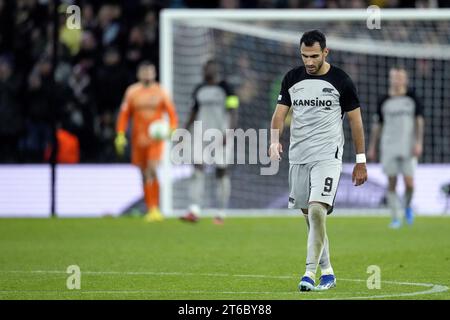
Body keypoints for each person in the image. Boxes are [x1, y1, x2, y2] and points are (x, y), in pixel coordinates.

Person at [269, 30, 367, 292]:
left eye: (314, 56)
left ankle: (308, 273)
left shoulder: (341, 81)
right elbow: (279, 115)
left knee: (316, 209)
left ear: (326, 52)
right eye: (304, 56)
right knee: (312, 218)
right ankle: (328, 271)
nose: (309, 62)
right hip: (299, 157)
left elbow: (356, 121)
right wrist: (274, 140)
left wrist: (361, 160)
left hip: (328, 156)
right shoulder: (292, 78)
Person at [115, 61, 178, 222]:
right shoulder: (132, 92)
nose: (147, 75)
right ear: (139, 74)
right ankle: (151, 207)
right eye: (144, 72)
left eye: (150, 72)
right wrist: (120, 134)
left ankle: (155, 208)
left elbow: (171, 113)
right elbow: (124, 115)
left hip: (155, 139)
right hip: (138, 139)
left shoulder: (161, 92)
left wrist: (172, 128)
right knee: (144, 174)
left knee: (151, 169)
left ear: (155, 73)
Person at [180, 60, 239, 225]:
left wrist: (230, 132)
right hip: (200, 135)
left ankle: (220, 212)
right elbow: (193, 112)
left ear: (217, 70)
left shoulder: (227, 89)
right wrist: (184, 131)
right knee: (197, 169)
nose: (208, 71)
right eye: (205, 68)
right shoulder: (199, 90)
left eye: (211, 68)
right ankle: (194, 209)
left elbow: (233, 112)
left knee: (221, 172)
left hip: (221, 136)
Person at [368, 66, 424, 228]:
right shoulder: (384, 100)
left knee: (409, 183)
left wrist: (419, 142)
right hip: (389, 146)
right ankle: (395, 218)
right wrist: (372, 147)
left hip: (408, 145)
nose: (397, 80)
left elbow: (419, 122)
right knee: (391, 182)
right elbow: (377, 126)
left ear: (405, 79)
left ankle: (406, 206)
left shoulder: (412, 98)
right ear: (390, 79)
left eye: (400, 77)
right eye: (394, 77)